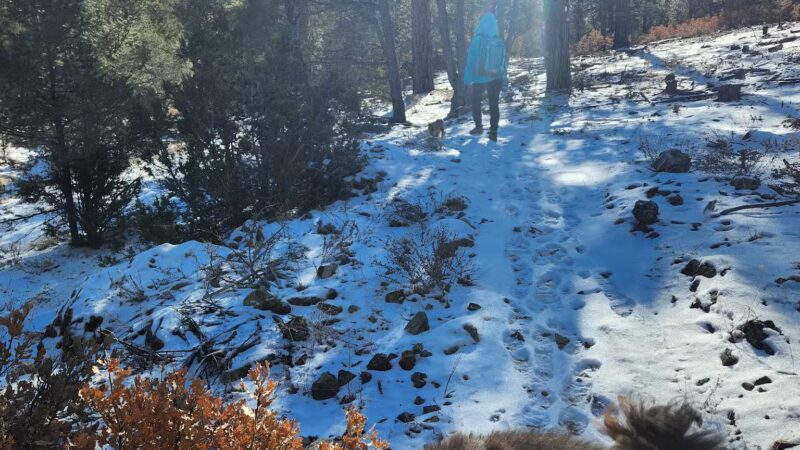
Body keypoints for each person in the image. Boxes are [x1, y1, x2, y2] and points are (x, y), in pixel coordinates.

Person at [463, 4, 508, 142]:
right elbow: (504, 62)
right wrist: (504, 78)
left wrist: (467, 80)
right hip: (496, 77)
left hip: (479, 78)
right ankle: (493, 132)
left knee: (476, 102)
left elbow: (470, 61)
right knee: (494, 104)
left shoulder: (477, 40)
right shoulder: (499, 40)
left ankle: (479, 127)